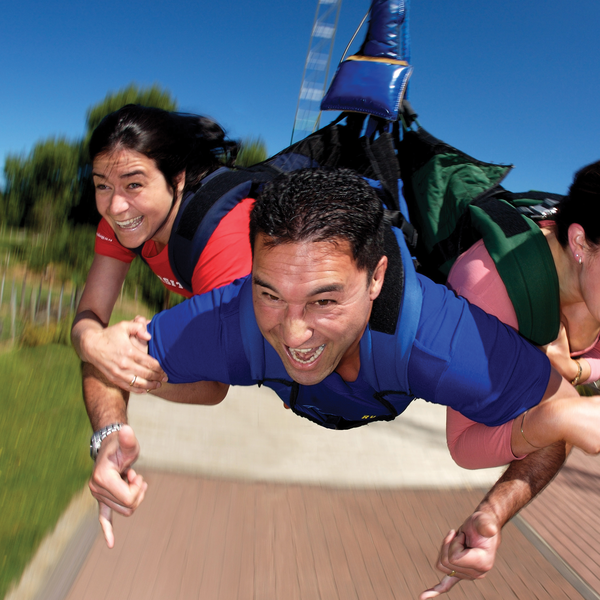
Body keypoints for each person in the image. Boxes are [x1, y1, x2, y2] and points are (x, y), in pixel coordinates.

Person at [85, 168, 600, 594]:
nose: (292, 332)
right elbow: (107, 358)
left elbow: (562, 418)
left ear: (377, 279)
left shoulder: (437, 340)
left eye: (324, 300)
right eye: (270, 294)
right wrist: (108, 436)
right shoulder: (234, 319)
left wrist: (495, 511)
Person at [71, 104, 254, 392]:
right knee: (105, 352)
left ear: (177, 179)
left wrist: (122, 365)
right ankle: (111, 438)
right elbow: (90, 313)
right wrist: (92, 343)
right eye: (103, 186)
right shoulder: (121, 222)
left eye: (133, 184)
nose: (116, 207)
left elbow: (214, 383)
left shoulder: (221, 234)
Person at [445, 160, 600, 470]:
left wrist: (576, 370)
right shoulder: (488, 289)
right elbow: (462, 443)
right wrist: (556, 419)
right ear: (580, 243)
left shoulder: (592, 279)